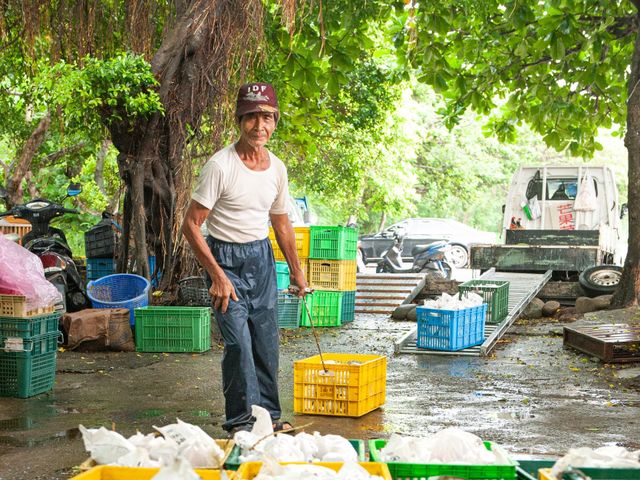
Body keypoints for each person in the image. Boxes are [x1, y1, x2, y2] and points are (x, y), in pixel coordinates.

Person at [181, 82, 308, 436]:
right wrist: (217, 276)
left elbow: (281, 222)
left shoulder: (277, 169)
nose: (259, 126)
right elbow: (190, 225)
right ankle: (241, 422)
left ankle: (269, 418)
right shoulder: (220, 166)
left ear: (275, 121)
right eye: (252, 117)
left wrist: (297, 273)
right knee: (239, 345)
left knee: (266, 341)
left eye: (267, 117)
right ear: (239, 120)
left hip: (261, 260)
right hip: (224, 260)